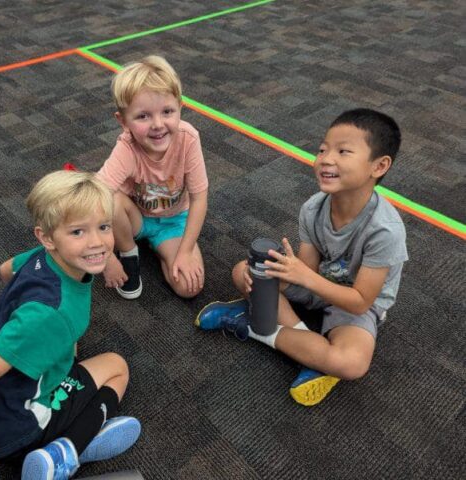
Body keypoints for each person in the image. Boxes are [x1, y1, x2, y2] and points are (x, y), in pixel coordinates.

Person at [196, 108, 408, 406]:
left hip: (356, 306)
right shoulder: (313, 208)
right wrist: (275, 274)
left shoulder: (385, 230)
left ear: (379, 165)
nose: (326, 158)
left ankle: (252, 324)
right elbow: (307, 268)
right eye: (323, 149)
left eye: (343, 151)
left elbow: (361, 300)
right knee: (242, 271)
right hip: (316, 283)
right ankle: (308, 351)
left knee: (351, 363)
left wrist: (303, 276)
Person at [0, 170, 141, 480]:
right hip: (20, 427)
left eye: (104, 227)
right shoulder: (52, 315)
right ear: (47, 237)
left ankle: (75, 440)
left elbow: (5, 270)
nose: (97, 242)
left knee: (74, 351)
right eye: (78, 232)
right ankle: (69, 448)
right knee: (117, 366)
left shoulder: (41, 257)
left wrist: (105, 259)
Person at [97, 55, 209, 300]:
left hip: (173, 220)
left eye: (167, 111)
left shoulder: (188, 138)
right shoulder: (126, 147)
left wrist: (185, 251)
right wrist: (106, 258)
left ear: (180, 107)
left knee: (189, 288)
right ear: (123, 121)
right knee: (109, 199)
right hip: (134, 216)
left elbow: (199, 199)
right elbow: (95, 197)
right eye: (143, 116)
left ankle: (160, 247)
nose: (158, 124)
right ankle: (129, 252)